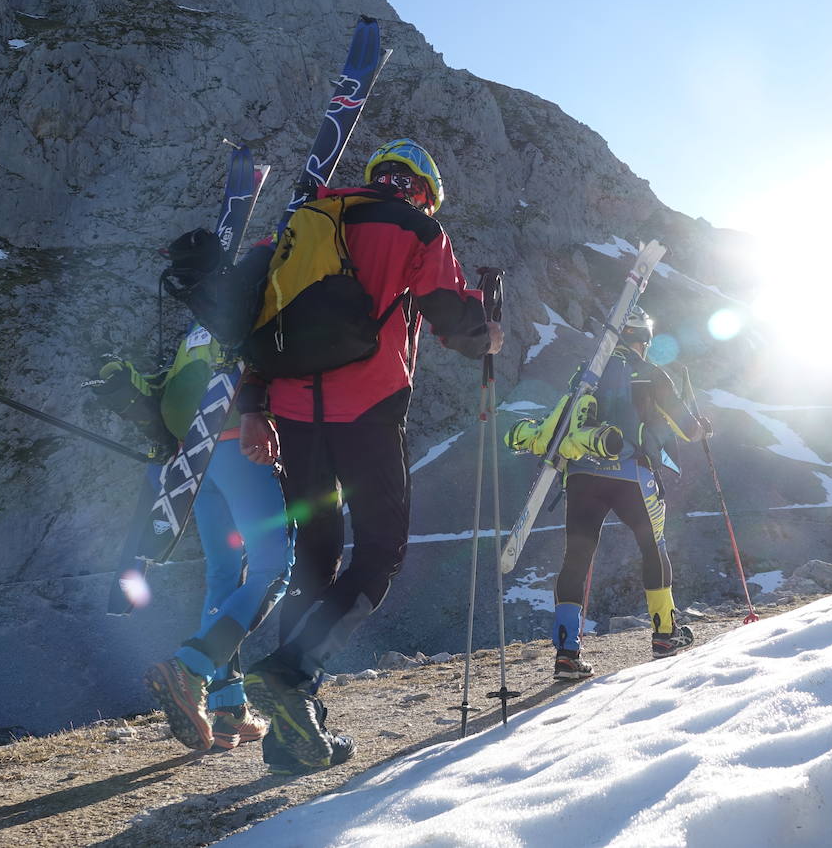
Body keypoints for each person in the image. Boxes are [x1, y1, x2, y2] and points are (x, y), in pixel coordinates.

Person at [237, 138, 502, 773]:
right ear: (424, 189)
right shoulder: (416, 226)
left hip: (295, 417)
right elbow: (448, 317)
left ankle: (290, 739)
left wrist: (254, 406)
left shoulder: (310, 219)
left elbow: (257, 315)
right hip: (368, 412)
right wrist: (485, 331)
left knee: (315, 562)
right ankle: (293, 672)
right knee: (380, 553)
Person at [93, 325, 293, 752]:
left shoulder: (192, 333)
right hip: (245, 445)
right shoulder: (255, 302)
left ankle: (227, 710)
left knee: (223, 574)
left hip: (195, 456)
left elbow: (166, 385)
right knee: (272, 566)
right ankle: (191, 665)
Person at [538, 308, 712, 681]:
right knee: (654, 548)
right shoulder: (652, 373)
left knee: (577, 556)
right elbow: (687, 429)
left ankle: (567, 654)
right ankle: (665, 635)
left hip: (582, 472)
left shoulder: (588, 371)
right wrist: (702, 429)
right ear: (644, 340)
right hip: (632, 472)